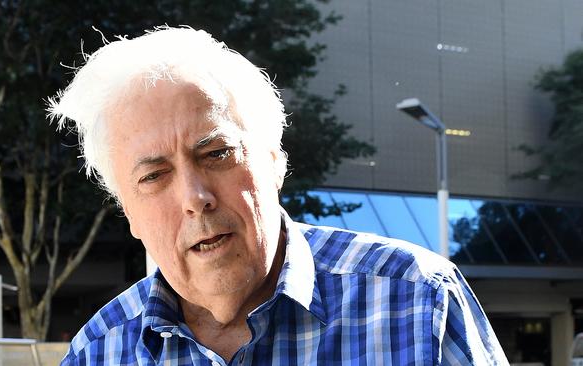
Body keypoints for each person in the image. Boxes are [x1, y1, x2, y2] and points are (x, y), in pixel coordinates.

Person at [48, 26, 508, 365]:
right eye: (154, 177)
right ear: (128, 212)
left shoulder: (416, 303)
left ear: (274, 159)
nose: (195, 197)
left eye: (216, 153)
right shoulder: (98, 352)